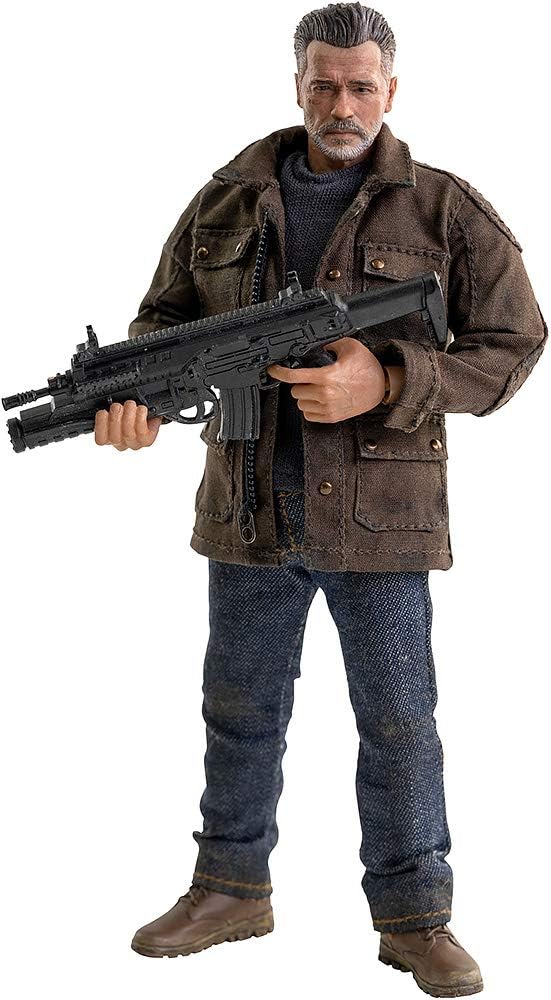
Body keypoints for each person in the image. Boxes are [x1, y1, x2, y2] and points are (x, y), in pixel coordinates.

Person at [94, 4, 546, 996]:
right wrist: (133, 401)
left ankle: (415, 915)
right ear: (297, 85)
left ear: (391, 91)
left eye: (361, 87)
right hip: (247, 509)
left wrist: (389, 378)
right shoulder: (225, 201)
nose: (342, 105)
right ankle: (230, 887)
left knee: (397, 719)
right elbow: (162, 324)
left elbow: (513, 344)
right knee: (237, 709)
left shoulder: (442, 209)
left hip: (380, 517)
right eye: (324, 85)